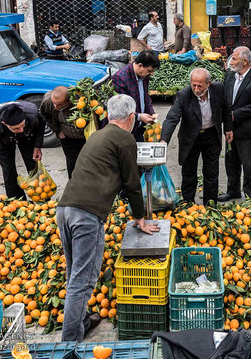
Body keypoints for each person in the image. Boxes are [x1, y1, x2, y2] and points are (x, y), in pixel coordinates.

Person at [57, 94, 160, 342]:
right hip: (87, 215)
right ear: (131, 117)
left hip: (65, 209)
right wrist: (140, 218)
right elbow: (132, 183)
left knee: (75, 275)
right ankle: (69, 342)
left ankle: (81, 322)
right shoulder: (124, 139)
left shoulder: (97, 135)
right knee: (83, 281)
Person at [161, 68, 233, 205]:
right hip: (190, 137)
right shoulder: (184, 95)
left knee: (211, 172)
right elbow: (172, 118)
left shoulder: (219, 89)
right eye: (193, 85)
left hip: (211, 134)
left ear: (208, 83)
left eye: (200, 85)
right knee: (189, 172)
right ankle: (188, 203)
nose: (196, 88)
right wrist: (164, 140)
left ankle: (210, 204)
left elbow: (226, 108)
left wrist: (228, 129)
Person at [218, 46, 251, 201]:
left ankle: (250, 195)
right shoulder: (229, 77)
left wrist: (233, 115)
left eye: (234, 59)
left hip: (247, 130)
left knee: (249, 165)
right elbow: (225, 100)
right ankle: (232, 191)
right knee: (231, 162)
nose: (231, 62)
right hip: (230, 129)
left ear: (245, 61)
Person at [112, 50, 160, 141]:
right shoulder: (121, 78)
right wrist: (139, 116)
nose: (151, 74)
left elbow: (145, 96)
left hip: (139, 127)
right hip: (126, 129)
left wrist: (152, 113)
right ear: (140, 65)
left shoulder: (144, 75)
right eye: (149, 70)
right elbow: (121, 108)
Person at [40, 86, 86, 178]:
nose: (56, 107)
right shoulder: (48, 102)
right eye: (54, 104)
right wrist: (57, 131)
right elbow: (45, 115)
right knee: (72, 163)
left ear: (68, 101)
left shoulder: (79, 102)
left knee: (87, 162)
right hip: (67, 138)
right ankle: (73, 187)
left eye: (60, 105)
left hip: (84, 137)